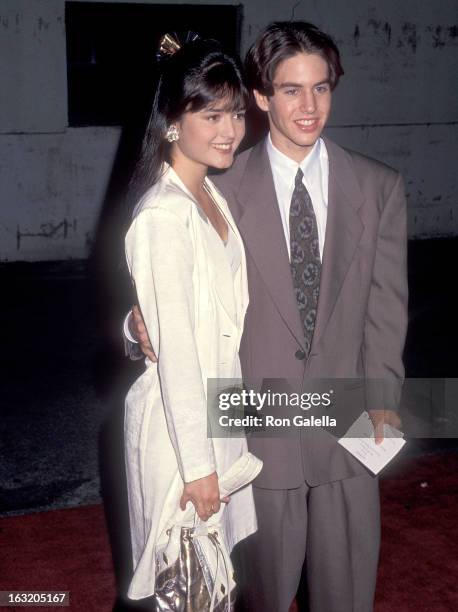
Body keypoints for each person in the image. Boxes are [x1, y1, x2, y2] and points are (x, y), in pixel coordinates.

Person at [127, 21, 408, 612]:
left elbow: (387, 313)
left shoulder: (380, 188)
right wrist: (132, 327)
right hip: (256, 438)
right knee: (261, 600)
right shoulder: (222, 187)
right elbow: (173, 296)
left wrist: (384, 407)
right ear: (260, 97)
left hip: (350, 432)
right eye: (290, 90)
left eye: (322, 88)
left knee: (350, 597)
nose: (309, 107)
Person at [123, 35, 258, 604]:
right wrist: (198, 467)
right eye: (212, 113)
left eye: (237, 112)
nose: (230, 128)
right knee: (185, 594)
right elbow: (176, 349)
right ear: (174, 122)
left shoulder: (209, 196)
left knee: (211, 592)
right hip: (181, 445)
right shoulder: (163, 213)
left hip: (215, 425)